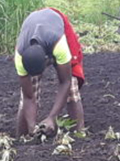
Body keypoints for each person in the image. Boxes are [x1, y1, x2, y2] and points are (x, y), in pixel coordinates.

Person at [15, 8, 86, 137]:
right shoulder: (19, 58)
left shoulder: (59, 45)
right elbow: (28, 97)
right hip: (33, 25)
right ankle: (22, 137)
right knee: (29, 90)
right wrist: (32, 126)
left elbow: (65, 82)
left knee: (72, 87)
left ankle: (79, 133)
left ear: (48, 59)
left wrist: (52, 117)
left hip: (55, 24)